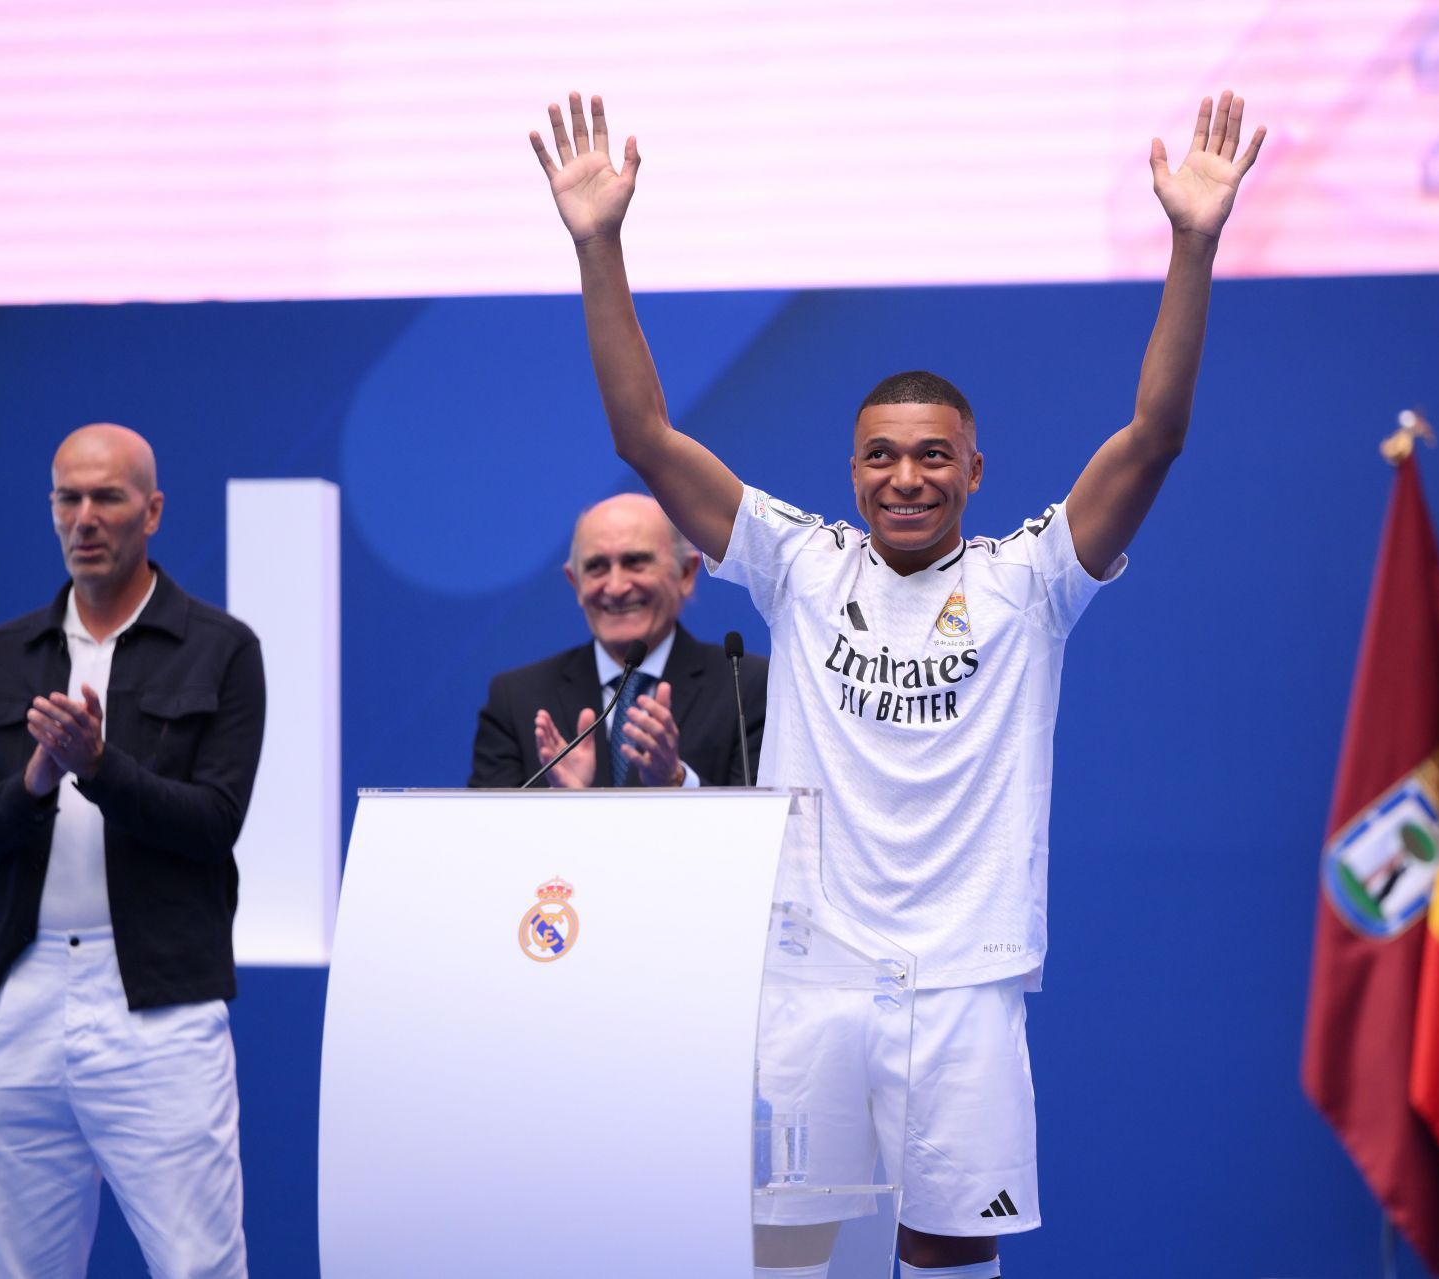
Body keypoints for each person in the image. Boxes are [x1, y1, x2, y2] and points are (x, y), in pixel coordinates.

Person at [531, 90, 1263, 1276]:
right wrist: (598, 244)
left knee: (940, 1262)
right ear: (853, 470)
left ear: (975, 466)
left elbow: (1154, 435)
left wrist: (1193, 244)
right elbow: (645, 433)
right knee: (790, 1258)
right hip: (808, 976)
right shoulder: (798, 565)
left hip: (967, 984)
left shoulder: (1034, 579)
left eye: (933, 454)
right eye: (882, 454)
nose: (906, 476)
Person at [0, 423, 265, 1279]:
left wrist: (99, 767)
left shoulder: (222, 647)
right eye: (68, 498)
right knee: (19, 1268)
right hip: (20, 993)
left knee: (199, 1265)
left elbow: (213, 822)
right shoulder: (2, 653)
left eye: (107, 498)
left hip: (158, 998)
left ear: (151, 511)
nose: (85, 518)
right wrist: (40, 779)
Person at [469, 491, 767, 788]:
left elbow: (766, 826)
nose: (616, 587)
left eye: (635, 562)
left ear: (686, 573)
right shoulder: (516, 698)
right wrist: (561, 807)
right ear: (575, 583)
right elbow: (482, 831)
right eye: (596, 567)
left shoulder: (747, 687)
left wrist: (676, 782)